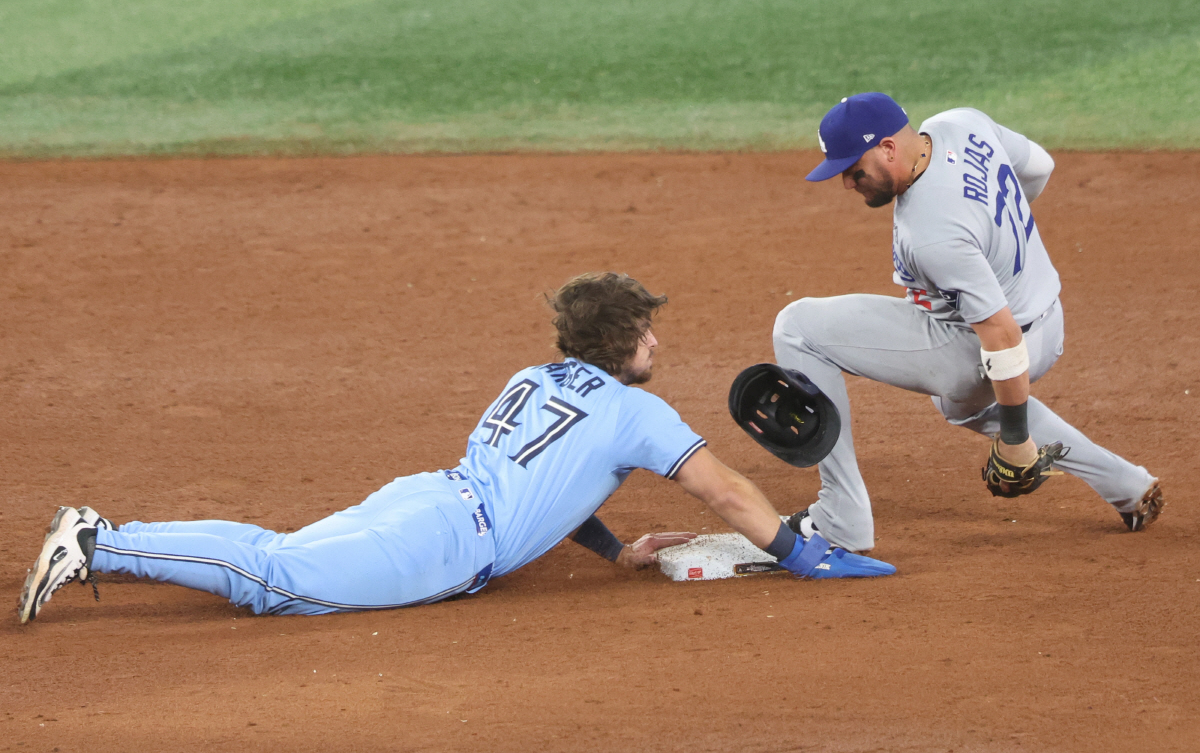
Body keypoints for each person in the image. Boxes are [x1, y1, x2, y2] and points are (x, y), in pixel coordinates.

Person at [19, 271, 893, 623]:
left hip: (426, 501)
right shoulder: (638, 414)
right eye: (646, 332)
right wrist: (801, 553)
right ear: (619, 340)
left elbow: (554, 484)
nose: (656, 342)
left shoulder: (536, 376)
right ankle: (99, 540)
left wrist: (616, 548)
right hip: (440, 540)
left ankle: (106, 543)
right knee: (276, 578)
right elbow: (726, 491)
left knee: (278, 559)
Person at [772, 93, 1163, 553]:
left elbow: (1000, 334)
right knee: (963, 405)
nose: (846, 183)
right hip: (1048, 322)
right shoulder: (962, 124)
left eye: (854, 170)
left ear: (888, 149)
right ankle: (1126, 484)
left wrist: (1016, 438)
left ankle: (841, 520)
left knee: (797, 329)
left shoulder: (933, 233)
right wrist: (987, 235)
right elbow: (1040, 167)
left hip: (994, 348)